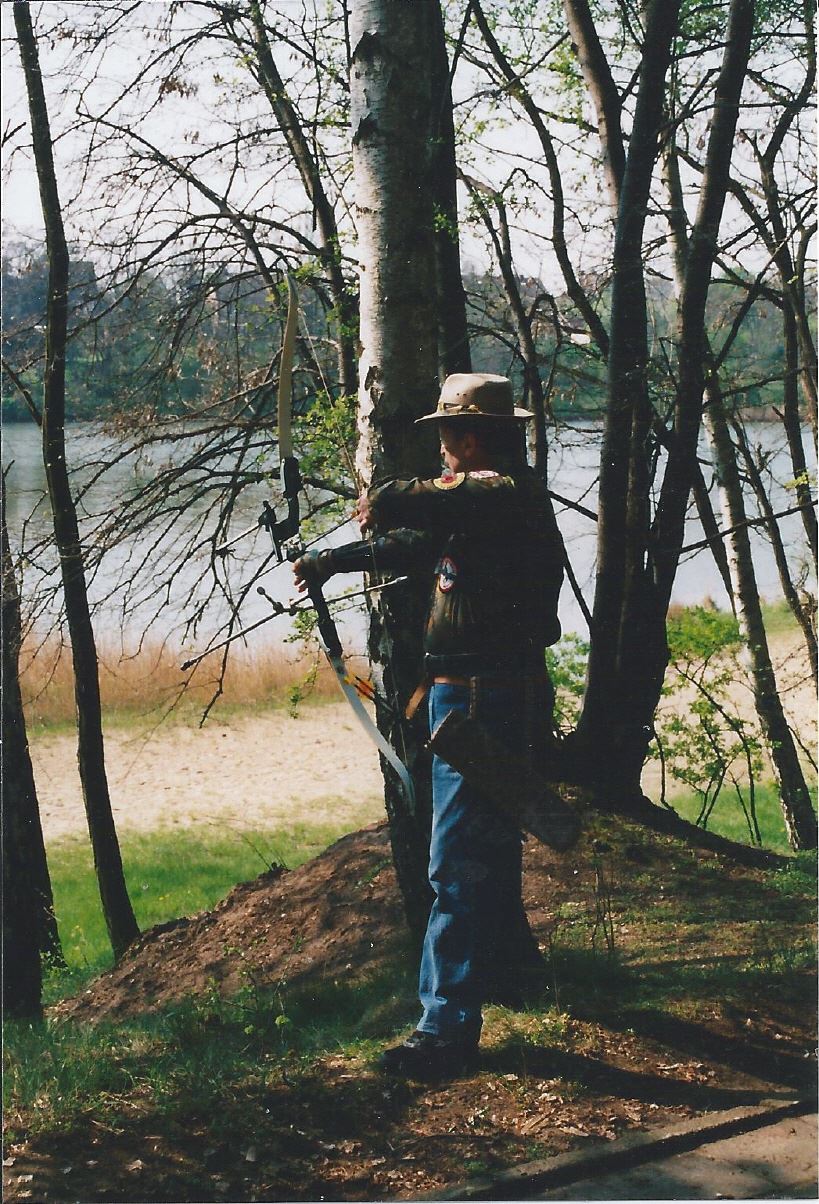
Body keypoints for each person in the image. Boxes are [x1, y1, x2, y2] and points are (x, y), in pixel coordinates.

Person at [293, 373, 566, 1080]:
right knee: (476, 856)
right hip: (465, 698)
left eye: (446, 435)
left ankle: (444, 1031)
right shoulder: (478, 510)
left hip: (481, 701)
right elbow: (415, 543)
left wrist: (380, 496)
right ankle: (486, 993)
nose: (441, 448)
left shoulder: (502, 494)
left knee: (454, 865)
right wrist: (330, 561)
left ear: (469, 439)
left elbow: (415, 502)